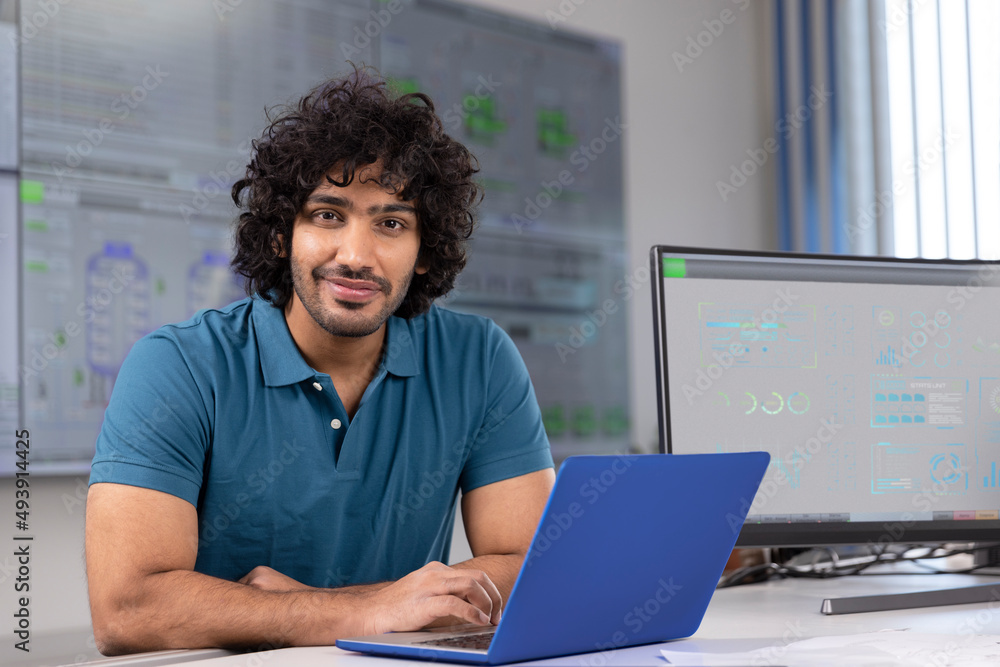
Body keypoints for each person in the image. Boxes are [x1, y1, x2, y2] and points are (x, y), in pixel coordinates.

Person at [85, 68, 555, 655]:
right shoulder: (176, 366)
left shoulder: (480, 359)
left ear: (426, 250)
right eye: (327, 215)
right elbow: (126, 611)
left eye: (390, 223)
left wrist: (340, 607)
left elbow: (536, 568)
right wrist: (372, 609)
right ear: (282, 234)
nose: (355, 256)